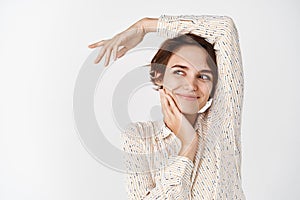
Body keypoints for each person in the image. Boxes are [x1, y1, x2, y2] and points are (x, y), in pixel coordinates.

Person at [88, 15, 245, 199]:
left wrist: (145, 26)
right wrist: (187, 146)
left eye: (203, 76)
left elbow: (224, 29)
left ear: (214, 87)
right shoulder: (139, 138)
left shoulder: (221, 122)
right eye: (179, 71)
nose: (190, 84)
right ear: (159, 76)